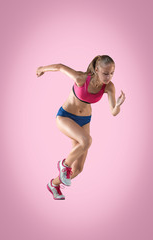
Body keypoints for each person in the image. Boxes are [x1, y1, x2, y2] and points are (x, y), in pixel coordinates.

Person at [36, 55, 126, 200]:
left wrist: (118, 105)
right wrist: (41, 69)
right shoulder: (81, 78)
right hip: (65, 116)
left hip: (84, 121)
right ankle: (64, 164)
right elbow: (59, 66)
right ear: (97, 69)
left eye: (112, 73)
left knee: (78, 169)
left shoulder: (109, 86)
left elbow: (113, 112)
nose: (108, 77)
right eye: (105, 73)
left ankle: (53, 184)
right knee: (87, 141)